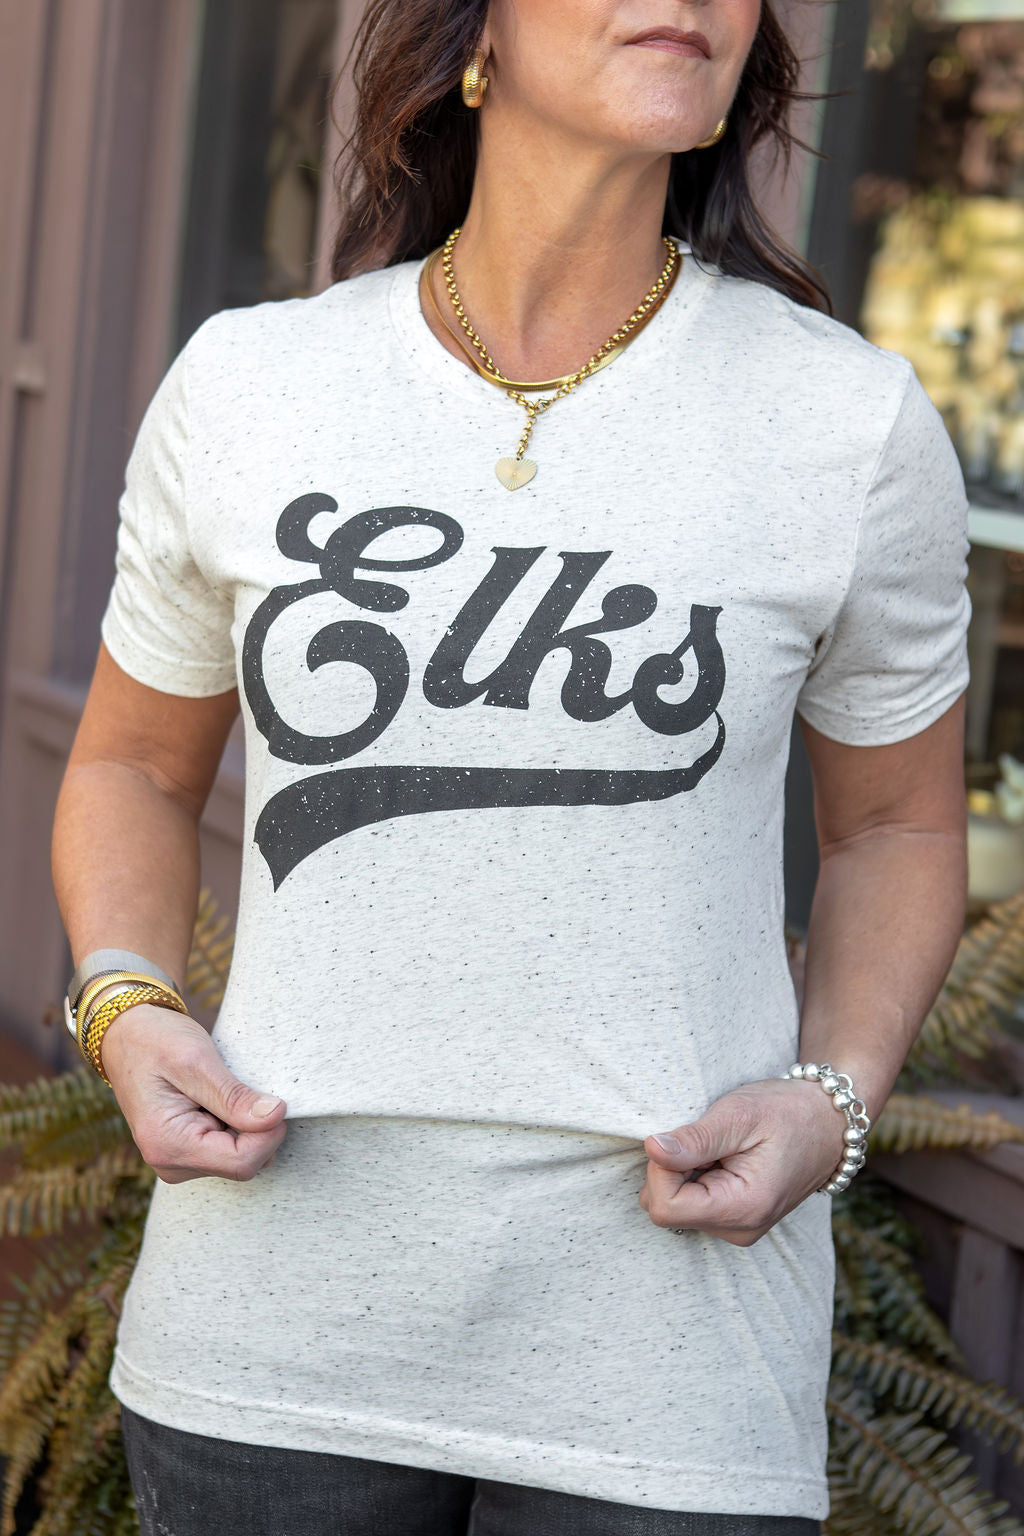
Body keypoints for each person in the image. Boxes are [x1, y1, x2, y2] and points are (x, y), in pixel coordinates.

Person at [50, 0, 972, 1531]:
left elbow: (898, 832)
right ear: (474, 32)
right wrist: (126, 1004)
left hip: (673, 1371)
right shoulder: (254, 388)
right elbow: (133, 771)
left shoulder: (845, 426)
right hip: (268, 1343)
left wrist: (835, 1100)